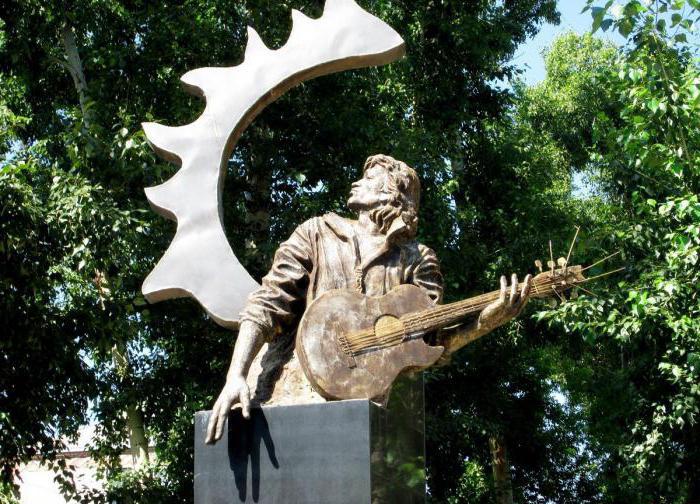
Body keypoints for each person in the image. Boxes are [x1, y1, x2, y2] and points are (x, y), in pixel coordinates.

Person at [205, 154, 531, 444]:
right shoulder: (317, 232)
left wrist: (487, 321)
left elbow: (432, 344)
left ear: (393, 195)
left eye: (370, 178)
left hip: (359, 409)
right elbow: (267, 302)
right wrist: (236, 374)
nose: (357, 181)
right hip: (288, 394)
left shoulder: (417, 259)